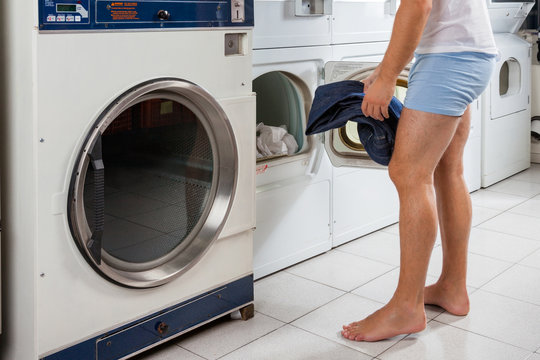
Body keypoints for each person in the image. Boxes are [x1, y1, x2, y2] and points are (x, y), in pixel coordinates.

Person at [340, 0, 497, 342]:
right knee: (447, 170)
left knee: (409, 173)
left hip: (449, 58)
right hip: (468, 51)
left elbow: (417, 6)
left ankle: (406, 308)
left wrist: (386, 78)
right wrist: (385, 69)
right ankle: (452, 288)